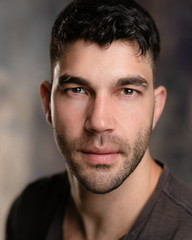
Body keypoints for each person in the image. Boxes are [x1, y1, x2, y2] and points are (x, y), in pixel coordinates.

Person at [6, 0, 192, 239]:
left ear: (156, 108)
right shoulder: (28, 211)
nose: (99, 122)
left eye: (127, 91)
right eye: (77, 90)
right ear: (47, 104)